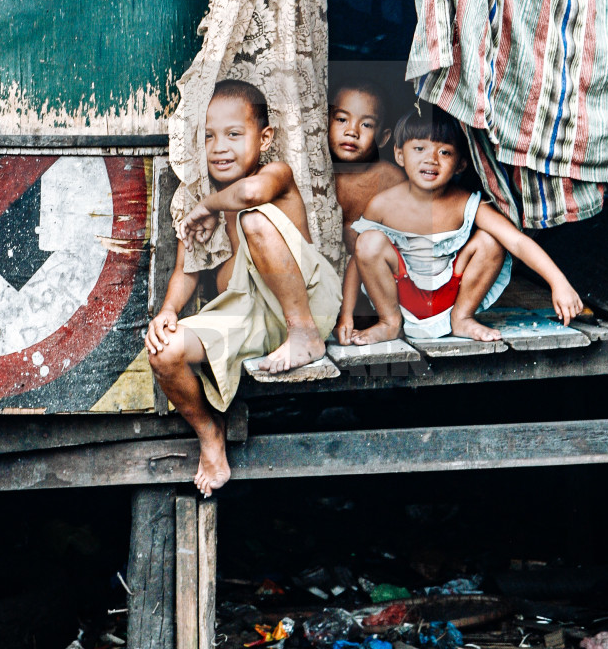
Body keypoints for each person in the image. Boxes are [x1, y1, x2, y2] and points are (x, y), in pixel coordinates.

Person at [145, 79, 342, 496]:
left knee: (254, 219)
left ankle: (304, 335)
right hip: (248, 317)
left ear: (264, 137)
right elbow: (187, 270)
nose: (220, 147)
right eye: (209, 136)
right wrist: (166, 312)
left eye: (234, 135)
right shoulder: (201, 196)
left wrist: (209, 206)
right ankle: (209, 435)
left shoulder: (276, 175)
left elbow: (251, 194)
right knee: (165, 352)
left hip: (305, 304)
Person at [349, 102, 583, 345]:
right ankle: (389, 323)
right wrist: (347, 315)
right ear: (399, 154)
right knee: (367, 241)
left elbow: (517, 241)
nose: (431, 159)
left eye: (445, 152)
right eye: (419, 148)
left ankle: (463, 318)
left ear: (461, 164)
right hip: (402, 295)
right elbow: (358, 259)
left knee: (492, 239)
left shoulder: (467, 203)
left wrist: (559, 282)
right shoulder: (382, 204)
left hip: (450, 296)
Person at [328, 81, 405, 344]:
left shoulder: (391, 179)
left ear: (383, 137)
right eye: (341, 119)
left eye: (366, 124)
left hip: (377, 297)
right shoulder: (315, 175)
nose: (352, 131)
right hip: (327, 294)